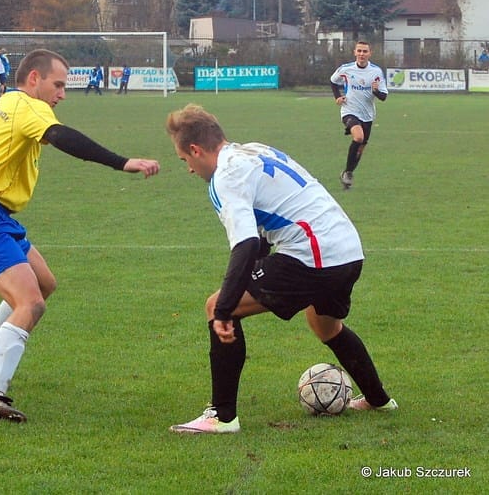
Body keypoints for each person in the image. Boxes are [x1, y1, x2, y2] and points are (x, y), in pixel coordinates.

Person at [0, 49, 160, 422]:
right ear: (33, 80)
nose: (62, 94)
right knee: (31, 303)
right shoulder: (28, 106)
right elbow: (62, 137)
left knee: (44, 283)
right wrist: (123, 162)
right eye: (57, 85)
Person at [165, 104, 397, 435]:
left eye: (184, 160)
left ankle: (222, 417)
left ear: (196, 150)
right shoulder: (254, 151)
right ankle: (378, 400)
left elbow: (245, 246)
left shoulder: (225, 177)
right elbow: (265, 234)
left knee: (216, 306)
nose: (188, 168)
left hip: (313, 255)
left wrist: (225, 310)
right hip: (347, 249)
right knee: (325, 325)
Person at [330, 41, 387, 190]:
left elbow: (383, 97)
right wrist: (337, 96)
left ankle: (347, 172)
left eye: (365, 51)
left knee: (360, 149)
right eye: (359, 51)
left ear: (370, 53)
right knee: (359, 137)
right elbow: (333, 81)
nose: (362, 54)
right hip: (349, 110)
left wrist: (375, 91)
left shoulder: (376, 72)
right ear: (355, 52)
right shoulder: (346, 69)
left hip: (367, 115)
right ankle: (351, 128)